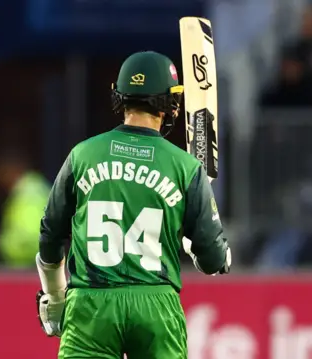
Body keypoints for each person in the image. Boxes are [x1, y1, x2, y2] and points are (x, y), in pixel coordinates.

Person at [35, 51, 231, 359]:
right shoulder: (185, 167)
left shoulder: (82, 155)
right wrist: (212, 252)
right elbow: (212, 260)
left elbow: (51, 234)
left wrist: (56, 297)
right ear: (170, 103)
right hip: (155, 305)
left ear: (120, 97)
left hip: (91, 304)